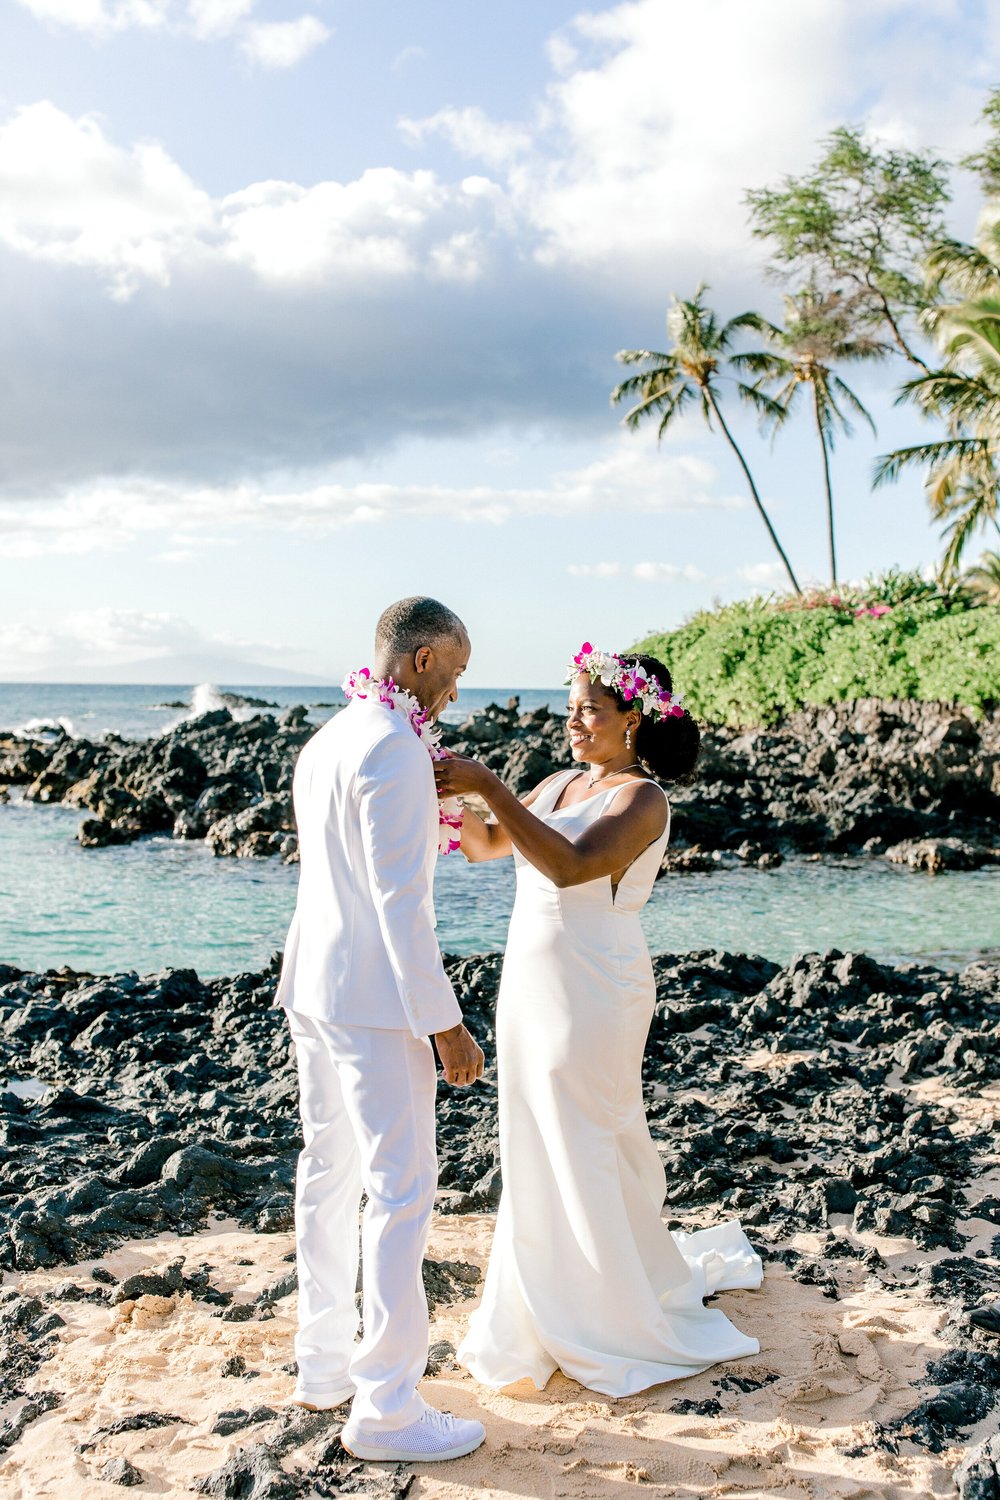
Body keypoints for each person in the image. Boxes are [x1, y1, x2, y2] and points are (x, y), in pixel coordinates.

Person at [434, 644, 762, 1397]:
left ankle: (605, 1308)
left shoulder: (641, 799)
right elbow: (489, 845)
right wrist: (448, 804)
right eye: (571, 707)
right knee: (532, 1127)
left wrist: (488, 782)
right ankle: (544, 1294)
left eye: (591, 710)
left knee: (583, 1129)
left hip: (594, 985)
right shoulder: (557, 782)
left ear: (633, 718)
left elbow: (570, 866)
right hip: (531, 980)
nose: (575, 722)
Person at [274, 596, 487, 1463]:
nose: (454, 698)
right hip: (375, 1005)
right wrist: (447, 1025)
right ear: (423, 659)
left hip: (313, 992)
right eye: (457, 674)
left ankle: (323, 1366)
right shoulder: (395, 750)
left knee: (328, 1177)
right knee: (400, 1192)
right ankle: (389, 1407)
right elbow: (402, 907)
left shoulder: (326, 739)